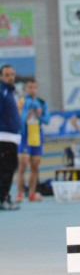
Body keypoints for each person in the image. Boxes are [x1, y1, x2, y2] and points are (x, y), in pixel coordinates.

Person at [16, 79, 50, 202]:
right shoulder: (22, 102)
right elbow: (18, 121)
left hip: (37, 137)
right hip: (25, 136)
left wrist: (40, 115)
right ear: (26, 89)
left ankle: (32, 193)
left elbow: (47, 121)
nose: (32, 89)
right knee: (23, 165)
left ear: (37, 89)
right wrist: (28, 114)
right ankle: (19, 193)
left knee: (35, 167)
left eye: (34, 87)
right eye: (30, 87)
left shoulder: (42, 103)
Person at [0, 65, 21, 210]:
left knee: (9, 167)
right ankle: (3, 198)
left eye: (12, 74)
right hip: (4, 137)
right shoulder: (2, 91)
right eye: (7, 75)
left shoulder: (10, 91)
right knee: (6, 169)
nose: (10, 77)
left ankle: (4, 196)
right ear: (1, 76)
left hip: (12, 136)